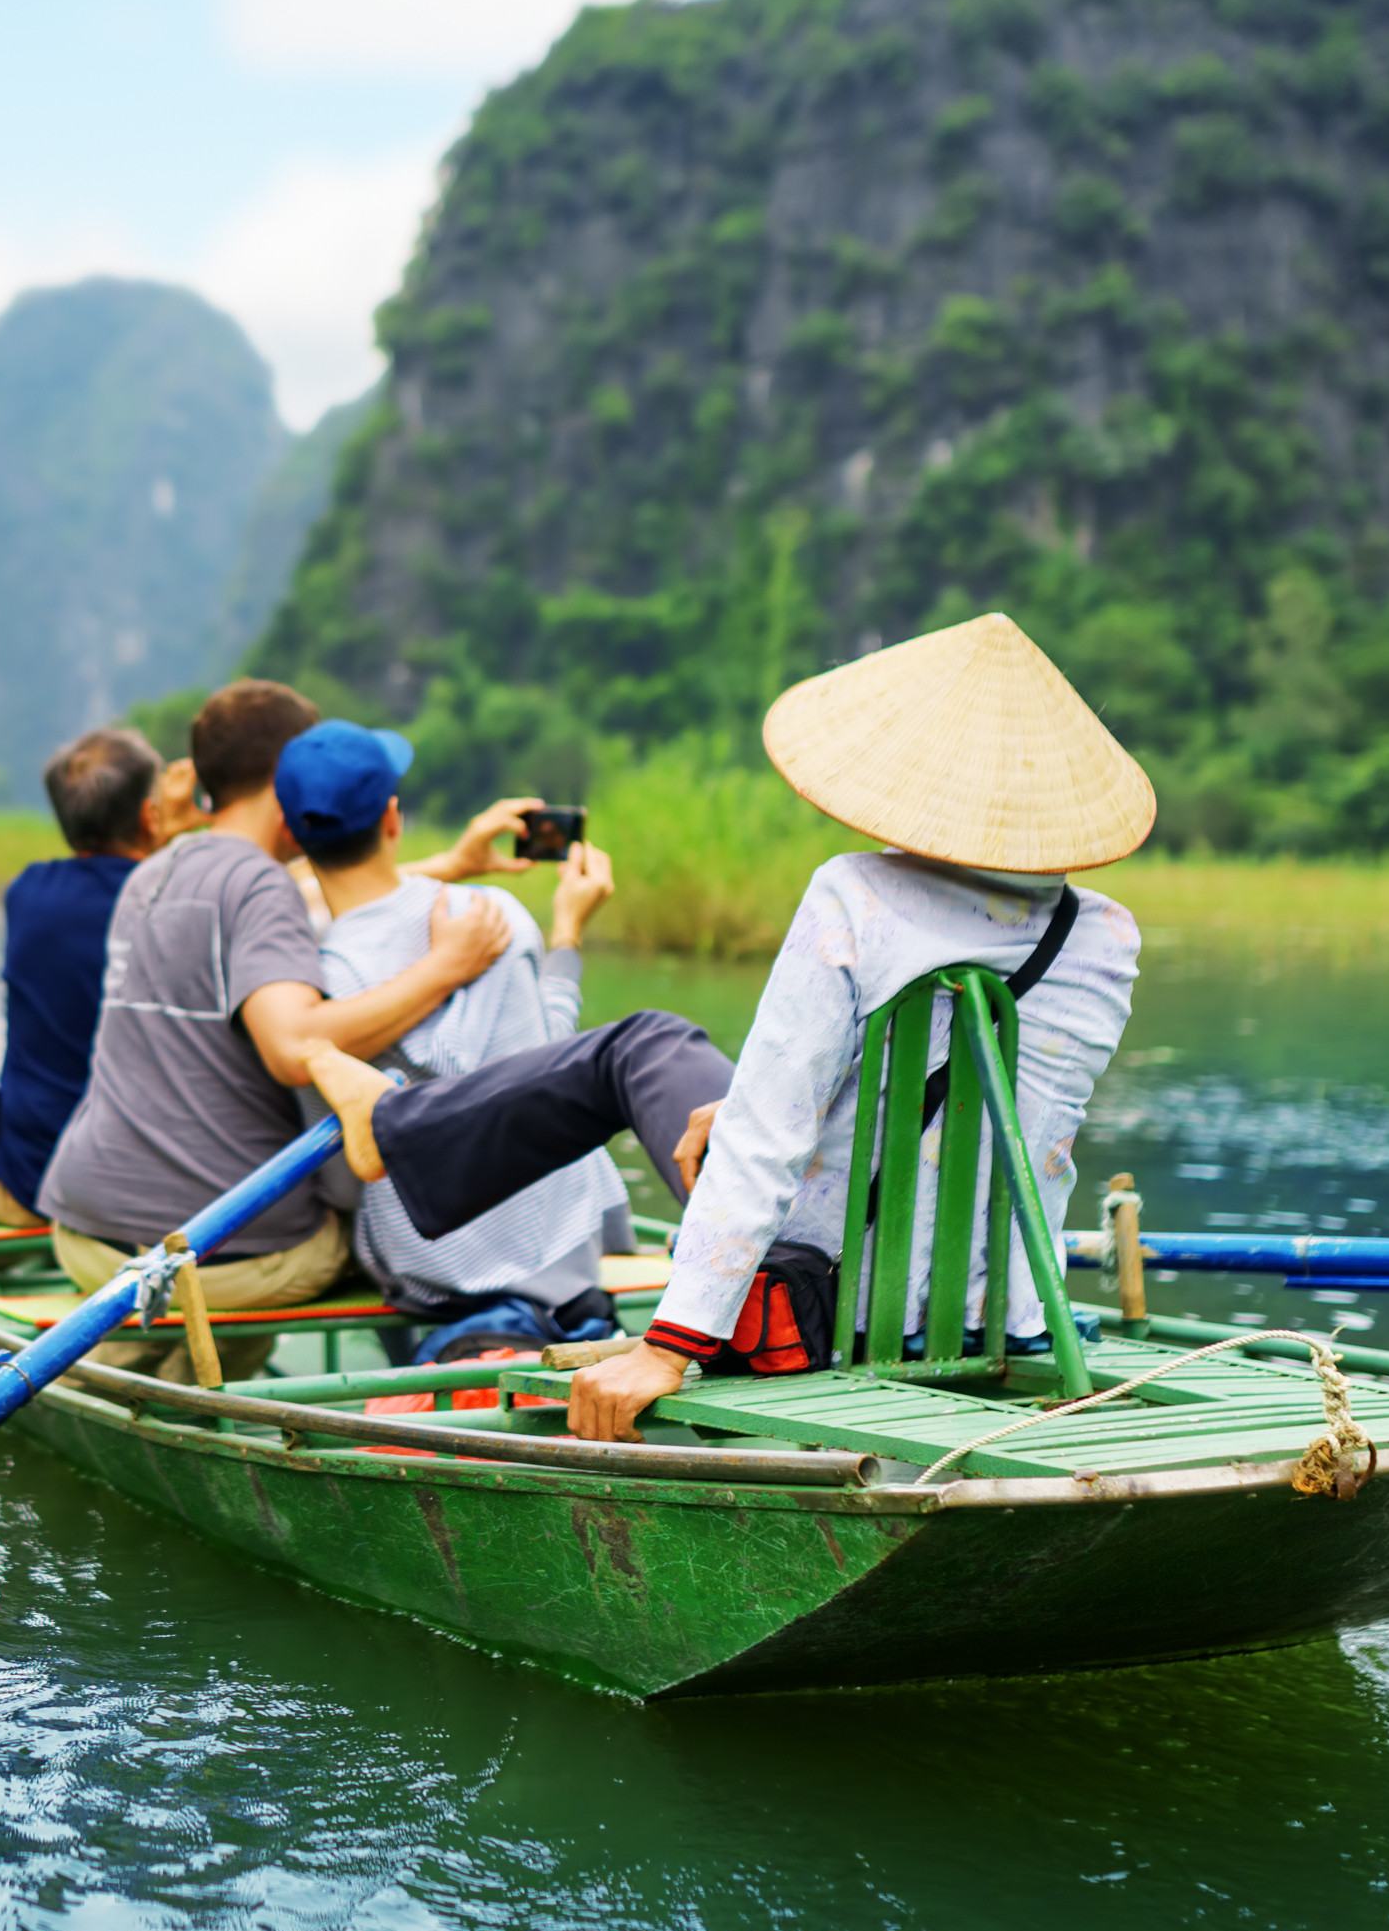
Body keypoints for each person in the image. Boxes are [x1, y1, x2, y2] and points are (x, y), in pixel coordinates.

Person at [304, 613, 1148, 1442]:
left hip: (818, 1306)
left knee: (642, 1045)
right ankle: (396, 1127)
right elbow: (982, 1115)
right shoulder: (1107, 939)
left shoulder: (856, 895)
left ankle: (390, 1128)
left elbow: (768, 1140)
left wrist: (672, 1346)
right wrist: (748, 1106)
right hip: (997, 1314)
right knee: (692, 1081)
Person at [34, 680, 507, 1335]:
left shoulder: (156, 870)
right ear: (289, 778)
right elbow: (293, 1047)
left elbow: (301, 899)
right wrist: (447, 968)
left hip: (85, 1230)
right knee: (397, 1228)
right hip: (213, 1254)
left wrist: (452, 864)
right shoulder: (260, 885)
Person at [277, 719, 632, 1362]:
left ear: (292, 833)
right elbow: (556, 1066)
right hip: (561, 1249)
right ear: (393, 818)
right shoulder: (490, 917)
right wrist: (568, 934)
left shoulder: (301, 980)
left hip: (430, 1270)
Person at [0, 726, 166, 1225]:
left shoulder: (29, 893)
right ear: (150, 816)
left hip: (33, 1186)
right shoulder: (176, 904)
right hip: (141, 1183)